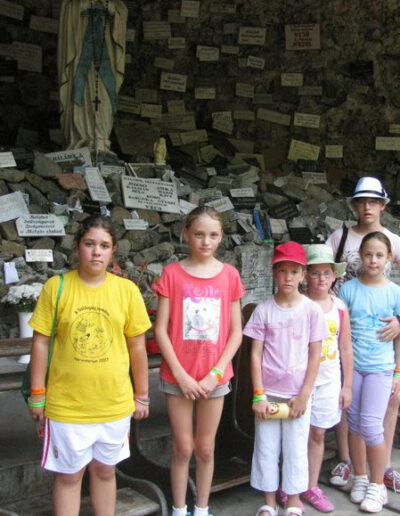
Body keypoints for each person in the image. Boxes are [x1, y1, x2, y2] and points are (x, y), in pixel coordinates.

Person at [28, 215, 151, 516]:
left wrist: (142, 395)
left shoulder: (126, 291)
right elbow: (40, 343)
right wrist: (37, 394)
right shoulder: (57, 287)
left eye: (104, 245)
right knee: (70, 477)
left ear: (113, 251)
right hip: (68, 406)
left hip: (114, 404)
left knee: (106, 472)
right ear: (78, 247)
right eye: (90, 244)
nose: (97, 252)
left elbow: (137, 346)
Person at [153, 206, 245, 516]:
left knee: (206, 448)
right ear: (186, 234)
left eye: (213, 235)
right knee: (183, 447)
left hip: (214, 377)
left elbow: (236, 332)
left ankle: (202, 508)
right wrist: (180, 375)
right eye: (199, 234)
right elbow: (161, 330)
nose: (206, 242)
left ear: (221, 237)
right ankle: (179, 508)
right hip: (177, 376)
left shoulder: (229, 275)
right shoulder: (172, 274)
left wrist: (214, 374)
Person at [243, 241, 330, 516]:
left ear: (303, 275)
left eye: (294, 271)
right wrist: (258, 394)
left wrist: (304, 394)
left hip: (297, 395)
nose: (288, 277)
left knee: (295, 449)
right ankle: (269, 501)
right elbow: (255, 354)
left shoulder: (311, 310)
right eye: (282, 271)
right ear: (274, 273)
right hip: (268, 392)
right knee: (266, 447)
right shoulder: (264, 310)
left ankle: (293, 500)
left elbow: (315, 355)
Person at [326, 176, 400, 492]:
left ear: (383, 205)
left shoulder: (394, 241)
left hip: (383, 336)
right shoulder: (340, 236)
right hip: (347, 327)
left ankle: (382, 467)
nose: (367, 207)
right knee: (348, 400)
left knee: (389, 401)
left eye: (374, 201)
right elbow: (322, 273)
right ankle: (348, 460)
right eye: (361, 201)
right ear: (354, 205)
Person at [338, 231, 400, 512]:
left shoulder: (394, 292)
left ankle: (377, 485)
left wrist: (398, 372)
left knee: (372, 426)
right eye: (368, 254)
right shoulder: (348, 290)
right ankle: (360, 477)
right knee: (354, 424)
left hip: (380, 368)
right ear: (360, 256)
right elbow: (340, 330)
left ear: (389, 258)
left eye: (379, 255)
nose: (373, 260)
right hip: (353, 368)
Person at [299, 244, 353, 512]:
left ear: (334, 276)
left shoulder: (339, 307)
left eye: (326, 273)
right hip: (300, 381)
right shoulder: (298, 304)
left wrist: (347, 385)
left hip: (329, 379)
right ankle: (292, 485)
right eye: (315, 273)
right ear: (305, 275)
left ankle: (310, 486)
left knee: (319, 432)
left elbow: (345, 347)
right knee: (297, 433)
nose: (321, 279)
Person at [58, 0, 128, 154]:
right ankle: (80, 140)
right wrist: (86, 4)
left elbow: (121, 11)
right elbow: (67, 11)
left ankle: (101, 139)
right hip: (79, 50)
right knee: (79, 92)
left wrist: (109, 7)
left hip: (105, 52)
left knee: (105, 97)